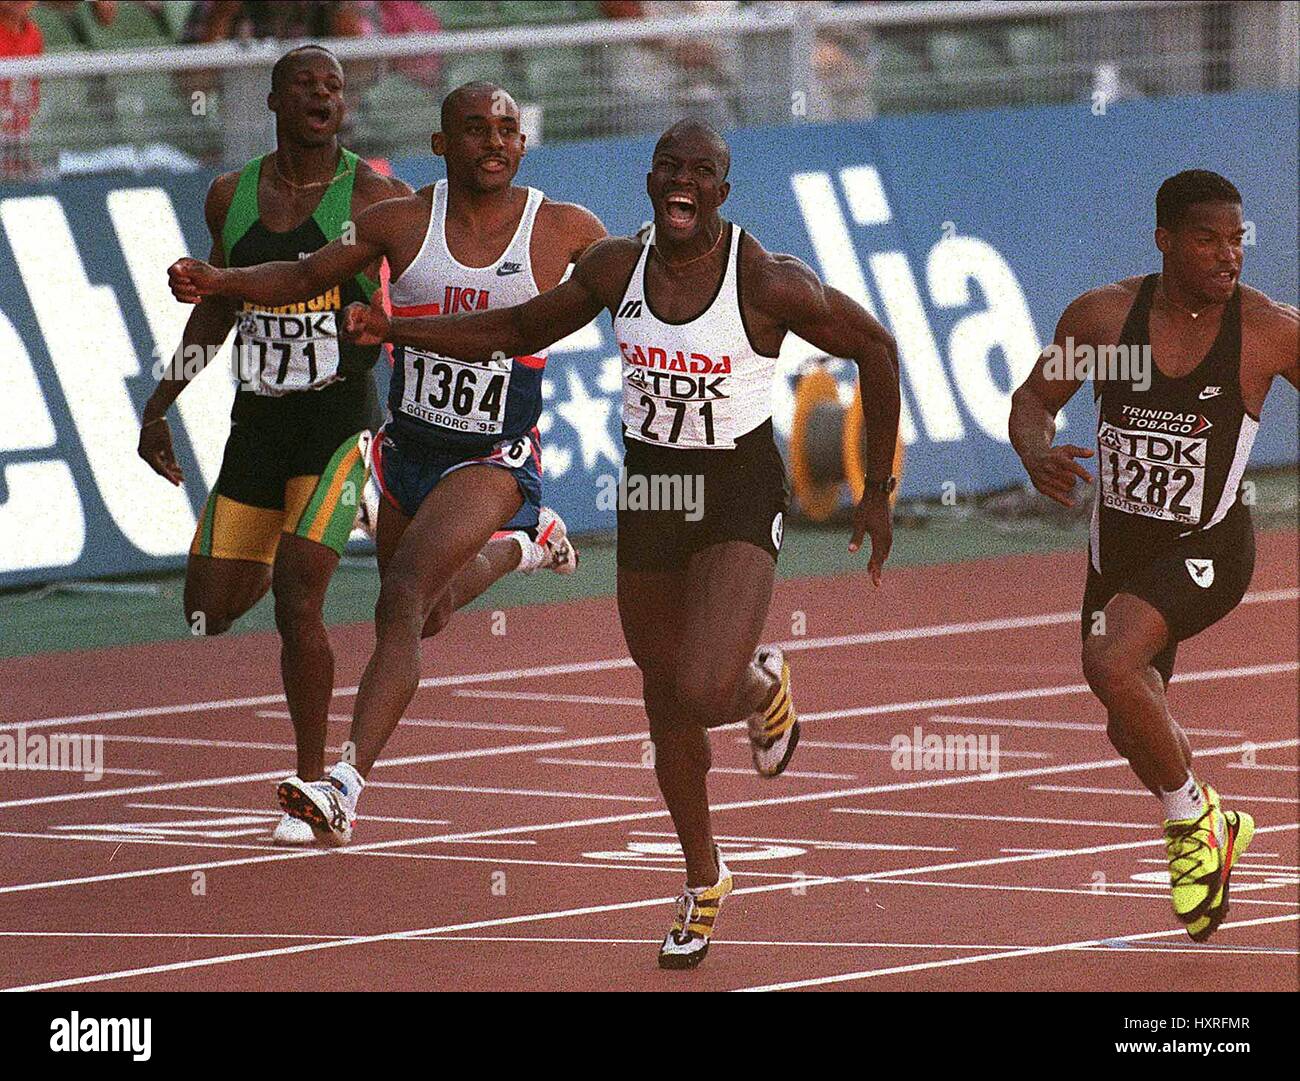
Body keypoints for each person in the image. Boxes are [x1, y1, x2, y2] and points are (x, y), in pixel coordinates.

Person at [336, 119, 900, 969]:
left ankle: (758, 684)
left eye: (700, 173)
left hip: (737, 489)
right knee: (665, 700)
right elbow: (517, 329)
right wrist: (396, 331)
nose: (683, 183)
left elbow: (876, 348)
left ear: (722, 190)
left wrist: (880, 492)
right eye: (669, 168)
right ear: (649, 182)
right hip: (650, 491)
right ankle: (703, 876)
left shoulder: (767, 279)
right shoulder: (613, 268)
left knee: (705, 683)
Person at [167, 80, 606, 843]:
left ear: (523, 145)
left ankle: (342, 785)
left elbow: (633, 285)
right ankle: (525, 550)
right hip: (407, 449)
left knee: (399, 598)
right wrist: (225, 280)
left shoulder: (564, 229)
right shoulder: (400, 222)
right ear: (441, 145)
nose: (493, 142)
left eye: (506, 129)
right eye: (474, 129)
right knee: (428, 613)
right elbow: (304, 277)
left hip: (494, 459)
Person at [1008, 169, 1298, 943]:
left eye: (1237, 240)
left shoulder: (1268, 330)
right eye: (1208, 239)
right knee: (1127, 719)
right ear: (1165, 238)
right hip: (1119, 550)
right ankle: (1210, 818)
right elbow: (1034, 401)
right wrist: (1035, 450)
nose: (1227, 256)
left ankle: (1189, 820)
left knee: (1107, 660)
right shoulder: (1103, 317)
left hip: (1210, 546)